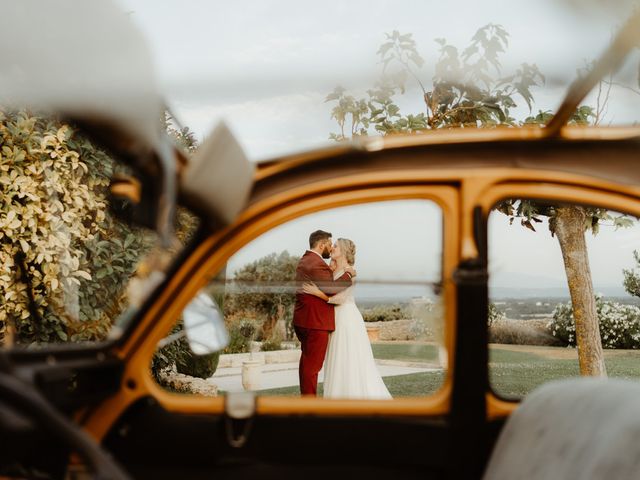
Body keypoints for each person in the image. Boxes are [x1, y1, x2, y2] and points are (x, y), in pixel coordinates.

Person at [303, 238, 392, 399]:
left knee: (348, 358)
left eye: (335, 246)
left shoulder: (350, 272)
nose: (332, 248)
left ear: (343, 251)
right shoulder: (333, 268)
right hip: (334, 319)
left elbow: (340, 299)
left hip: (346, 319)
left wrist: (316, 293)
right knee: (337, 360)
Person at [293, 230, 355, 396]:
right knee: (312, 367)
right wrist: (348, 274)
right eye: (330, 244)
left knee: (307, 364)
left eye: (334, 245)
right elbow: (331, 289)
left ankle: (307, 400)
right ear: (321, 245)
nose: (331, 247)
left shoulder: (308, 260)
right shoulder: (316, 262)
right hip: (315, 322)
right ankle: (309, 404)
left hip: (308, 320)